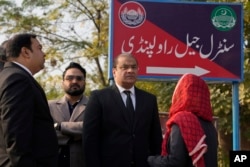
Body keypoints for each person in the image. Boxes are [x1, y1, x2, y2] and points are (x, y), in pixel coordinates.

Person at [83, 53, 163, 167]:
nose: (130, 70)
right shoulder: (99, 98)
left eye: (134, 67)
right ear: (114, 71)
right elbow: (90, 139)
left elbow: (156, 138)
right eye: (124, 67)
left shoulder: (149, 100)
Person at [0, 33, 58, 167]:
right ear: (26, 52)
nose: (44, 54)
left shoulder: (8, 76)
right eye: (39, 48)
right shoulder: (17, 79)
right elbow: (16, 133)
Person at [147, 73, 218, 167]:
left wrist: (150, 159)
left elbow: (175, 161)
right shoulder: (211, 126)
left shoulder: (182, 120)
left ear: (181, 93)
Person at [48, 62, 88, 167]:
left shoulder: (95, 106)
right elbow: (45, 133)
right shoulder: (49, 106)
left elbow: (91, 129)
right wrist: (78, 135)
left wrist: (59, 127)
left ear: (84, 82)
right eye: (70, 78)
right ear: (63, 82)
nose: (74, 81)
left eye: (79, 79)